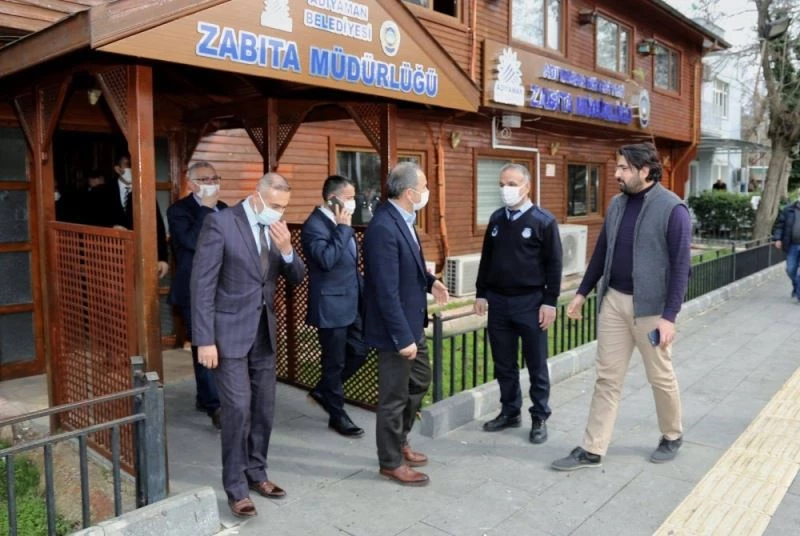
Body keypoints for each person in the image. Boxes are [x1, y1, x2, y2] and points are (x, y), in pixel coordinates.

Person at [551, 143, 691, 471]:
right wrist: (582, 292)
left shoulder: (673, 209)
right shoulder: (616, 205)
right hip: (613, 301)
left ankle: (672, 434)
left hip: (652, 310)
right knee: (607, 378)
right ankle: (592, 448)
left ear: (645, 170)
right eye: (617, 167)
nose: (617, 174)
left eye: (624, 168)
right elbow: (602, 251)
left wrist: (669, 317)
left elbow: (681, 267)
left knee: (660, 376)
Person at [191, 172, 305, 517]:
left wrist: (287, 250)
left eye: (283, 207)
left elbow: (296, 277)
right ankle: (236, 487)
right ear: (256, 196)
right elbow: (202, 286)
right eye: (274, 205)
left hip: (263, 333)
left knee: (264, 408)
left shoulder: (277, 229)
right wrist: (204, 340)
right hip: (228, 334)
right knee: (238, 409)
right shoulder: (220, 224)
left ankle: (257, 473)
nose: (279, 212)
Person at [363, 161, 449, 487]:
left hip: (412, 323)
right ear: (410, 193)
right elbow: (385, 289)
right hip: (395, 331)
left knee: (421, 379)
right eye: (424, 187)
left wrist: (431, 282)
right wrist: (402, 338)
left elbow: (409, 265)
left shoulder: (405, 219)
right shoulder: (383, 227)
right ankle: (390, 461)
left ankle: (400, 439)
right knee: (393, 397)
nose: (427, 192)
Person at [474, 163, 562, 444]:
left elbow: (554, 265)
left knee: (536, 363)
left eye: (511, 184)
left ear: (527, 187)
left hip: (531, 302)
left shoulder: (543, 221)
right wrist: (481, 292)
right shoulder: (497, 219)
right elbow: (487, 258)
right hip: (499, 302)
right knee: (504, 363)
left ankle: (539, 416)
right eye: (502, 185)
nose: (505, 190)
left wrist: (550, 302)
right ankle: (510, 411)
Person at [301, 175, 368, 437]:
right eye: (349, 198)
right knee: (334, 362)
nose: (353, 202)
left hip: (352, 301)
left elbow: (350, 264)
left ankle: (323, 391)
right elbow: (326, 260)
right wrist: (342, 229)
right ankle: (337, 415)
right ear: (332, 199)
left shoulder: (343, 222)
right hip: (330, 306)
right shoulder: (314, 225)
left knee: (360, 351)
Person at [167, 161, 227, 429]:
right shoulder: (179, 210)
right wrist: (205, 209)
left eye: (215, 178)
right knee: (204, 344)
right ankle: (214, 405)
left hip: (224, 289)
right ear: (191, 184)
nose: (211, 183)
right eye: (204, 179)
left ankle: (207, 397)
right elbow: (191, 242)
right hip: (194, 290)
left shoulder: (225, 208)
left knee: (221, 345)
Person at [94, 154, 169, 279]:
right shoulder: (101, 191)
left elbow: (157, 225)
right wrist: (111, 227)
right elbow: (91, 220)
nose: (132, 169)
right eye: (128, 165)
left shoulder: (145, 191)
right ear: (118, 169)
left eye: (135, 165)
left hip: (138, 255)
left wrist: (162, 258)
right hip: (108, 255)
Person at [772, 198, 800, 302]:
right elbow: (780, 226)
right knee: (790, 269)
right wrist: (778, 239)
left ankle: (798, 294)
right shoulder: (788, 210)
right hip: (792, 245)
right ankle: (797, 287)